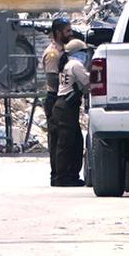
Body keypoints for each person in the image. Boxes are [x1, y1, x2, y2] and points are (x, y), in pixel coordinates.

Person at [50, 38, 91, 187]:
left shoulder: (66, 64)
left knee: (65, 142)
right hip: (67, 107)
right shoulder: (76, 65)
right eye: (85, 52)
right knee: (67, 143)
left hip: (61, 106)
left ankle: (60, 175)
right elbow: (88, 83)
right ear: (78, 53)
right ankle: (64, 177)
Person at [41, 17, 71, 184]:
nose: (70, 34)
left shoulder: (62, 50)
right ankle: (58, 175)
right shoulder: (53, 54)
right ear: (58, 33)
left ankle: (65, 173)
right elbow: (53, 81)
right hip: (55, 98)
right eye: (67, 31)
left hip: (60, 97)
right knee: (58, 139)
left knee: (65, 138)